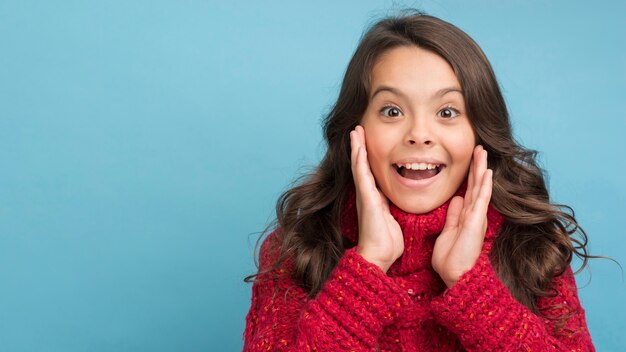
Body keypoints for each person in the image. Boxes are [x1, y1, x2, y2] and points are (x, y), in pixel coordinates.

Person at [243, 11, 594, 351]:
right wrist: (367, 268)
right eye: (392, 111)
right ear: (355, 129)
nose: (420, 134)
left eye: (447, 112)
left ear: (480, 133)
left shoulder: (532, 246)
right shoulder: (298, 246)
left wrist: (471, 285)